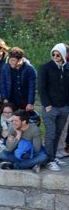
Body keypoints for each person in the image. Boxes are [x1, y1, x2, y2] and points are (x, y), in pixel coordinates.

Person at [37, 43, 69, 171]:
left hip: (64, 107)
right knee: (50, 134)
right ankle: (49, 160)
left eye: (58, 55)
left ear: (63, 55)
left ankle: (53, 156)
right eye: (53, 54)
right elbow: (41, 87)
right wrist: (47, 104)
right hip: (50, 108)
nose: (55, 57)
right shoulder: (45, 68)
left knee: (57, 134)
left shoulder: (67, 68)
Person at [0, 47, 37, 115]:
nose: (11, 62)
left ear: (20, 60)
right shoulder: (5, 68)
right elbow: (2, 84)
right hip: (11, 99)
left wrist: (30, 103)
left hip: (25, 99)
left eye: (13, 60)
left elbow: (32, 87)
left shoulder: (30, 69)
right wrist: (4, 98)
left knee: (26, 118)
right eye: (10, 60)